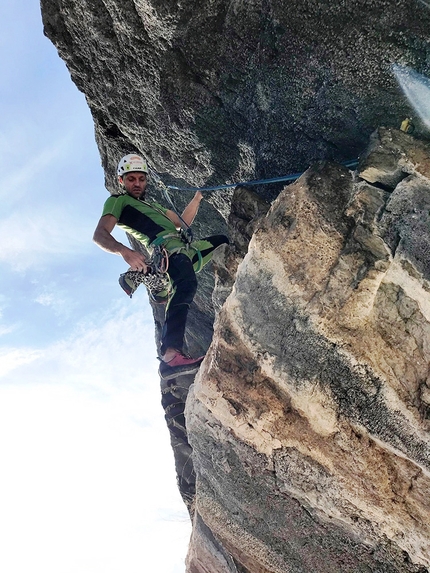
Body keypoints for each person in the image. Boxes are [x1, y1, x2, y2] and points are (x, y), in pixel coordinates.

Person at [93, 153, 229, 380]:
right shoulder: (118, 201)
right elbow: (99, 235)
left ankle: (155, 282)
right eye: (131, 179)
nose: (137, 183)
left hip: (187, 250)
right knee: (185, 285)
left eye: (141, 179)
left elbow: (181, 223)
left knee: (223, 241)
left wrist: (196, 198)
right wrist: (125, 251)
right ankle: (171, 355)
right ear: (121, 181)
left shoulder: (153, 206)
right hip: (168, 251)